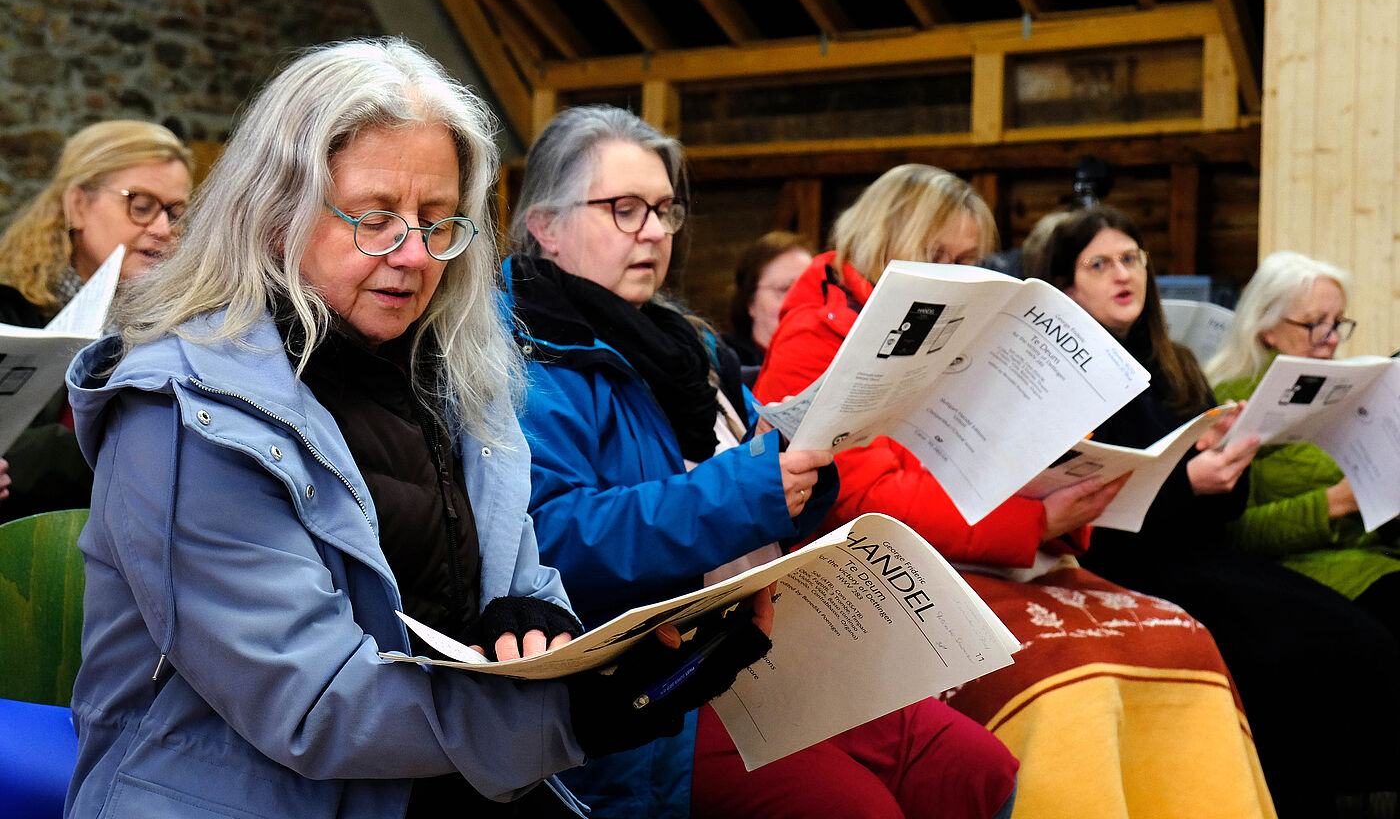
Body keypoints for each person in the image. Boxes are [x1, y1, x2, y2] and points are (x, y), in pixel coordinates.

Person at [62, 40, 771, 819]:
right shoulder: (187, 416)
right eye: (374, 219)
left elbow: (519, 570)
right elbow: (315, 701)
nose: (413, 254)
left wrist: (531, 623)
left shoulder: (453, 374)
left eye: (439, 221)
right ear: (273, 214)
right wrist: (582, 706)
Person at [505, 107, 1019, 819]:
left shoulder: (689, 347)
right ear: (545, 225)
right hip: (656, 683)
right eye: (624, 210)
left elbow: (763, 450)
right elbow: (551, 538)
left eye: (663, 209)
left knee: (978, 771)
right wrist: (753, 488)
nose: (654, 231)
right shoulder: (528, 358)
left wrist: (818, 465)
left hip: (765, 639)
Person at [756, 164, 1277, 819]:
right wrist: (1034, 517)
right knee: (1066, 689)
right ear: (884, 243)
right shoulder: (819, 328)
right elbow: (862, 498)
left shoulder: (964, 322)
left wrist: (1071, 468)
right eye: (936, 256)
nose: (956, 273)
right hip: (889, 570)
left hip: (996, 546)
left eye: (968, 260)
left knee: (1184, 642)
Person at [1035, 205, 1400, 818]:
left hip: (1202, 550)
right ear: (1067, 287)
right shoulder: (1061, 376)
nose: (1123, 274)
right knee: (1295, 651)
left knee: (1353, 636)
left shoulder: (1171, 362)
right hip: (1132, 564)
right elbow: (1097, 518)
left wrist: (1224, 469)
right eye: (1100, 264)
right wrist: (1189, 485)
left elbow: (1221, 514)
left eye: (1132, 259)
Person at [0, 120, 192, 520]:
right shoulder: (10, 307)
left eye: (175, 213)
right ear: (78, 205)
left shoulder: (183, 325)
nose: (162, 229)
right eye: (140, 205)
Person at [1206, 251, 1400, 639]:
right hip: (1299, 572)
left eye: (1337, 322)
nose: (1330, 338)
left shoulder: (1351, 383)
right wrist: (1339, 502)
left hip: (1378, 557)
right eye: (1314, 324)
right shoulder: (1231, 403)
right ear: (1267, 328)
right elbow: (1232, 535)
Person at [723, 230, 813, 369]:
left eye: (810, 287)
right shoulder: (727, 364)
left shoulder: (833, 355)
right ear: (751, 302)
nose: (801, 300)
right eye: (784, 289)